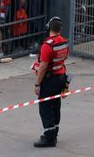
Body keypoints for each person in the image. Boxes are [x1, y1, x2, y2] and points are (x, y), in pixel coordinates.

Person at [32, 17, 69, 148]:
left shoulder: (47, 46)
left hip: (50, 80)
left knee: (45, 107)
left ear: (49, 28)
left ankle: (49, 137)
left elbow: (43, 67)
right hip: (61, 77)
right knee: (55, 105)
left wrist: (37, 84)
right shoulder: (64, 42)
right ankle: (54, 132)